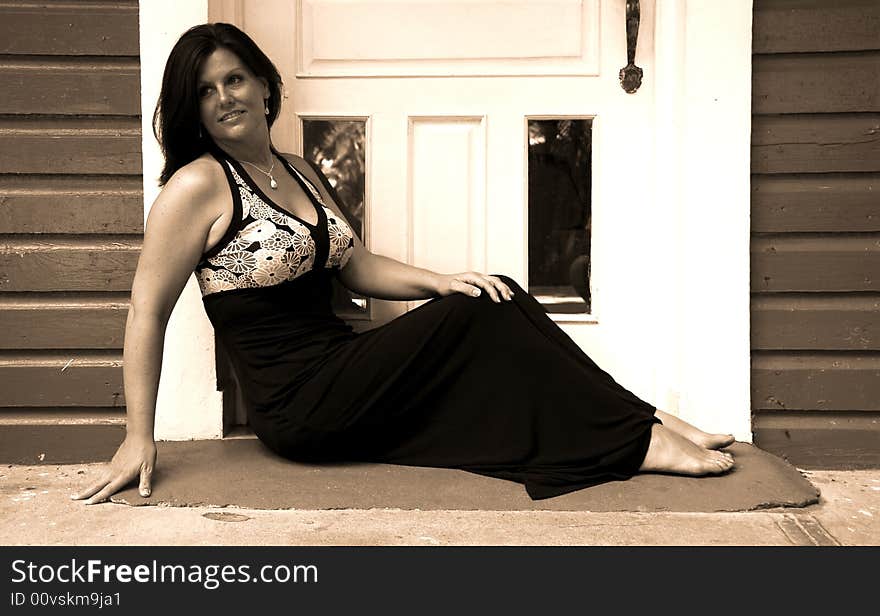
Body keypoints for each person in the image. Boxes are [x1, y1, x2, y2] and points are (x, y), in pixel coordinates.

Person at [72, 23, 734, 506]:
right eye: (206, 89)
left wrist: (440, 281)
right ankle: (639, 441)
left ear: (266, 87)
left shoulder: (298, 171)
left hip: (341, 368)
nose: (224, 96)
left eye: (235, 78)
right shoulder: (198, 186)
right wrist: (138, 437)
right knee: (483, 320)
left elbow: (355, 266)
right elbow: (146, 311)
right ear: (194, 108)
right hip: (299, 404)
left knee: (491, 291)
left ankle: (641, 420)